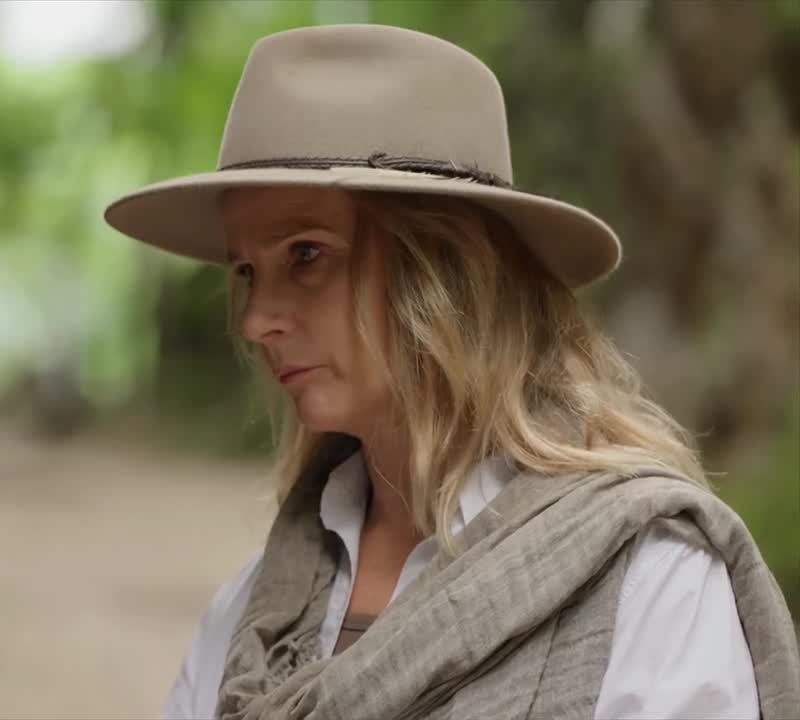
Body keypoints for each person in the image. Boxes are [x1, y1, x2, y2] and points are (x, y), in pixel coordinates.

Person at [103, 24, 800, 720]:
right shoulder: (257, 610)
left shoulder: (651, 583)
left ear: (449, 272)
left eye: (306, 255)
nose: (257, 319)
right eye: (248, 271)